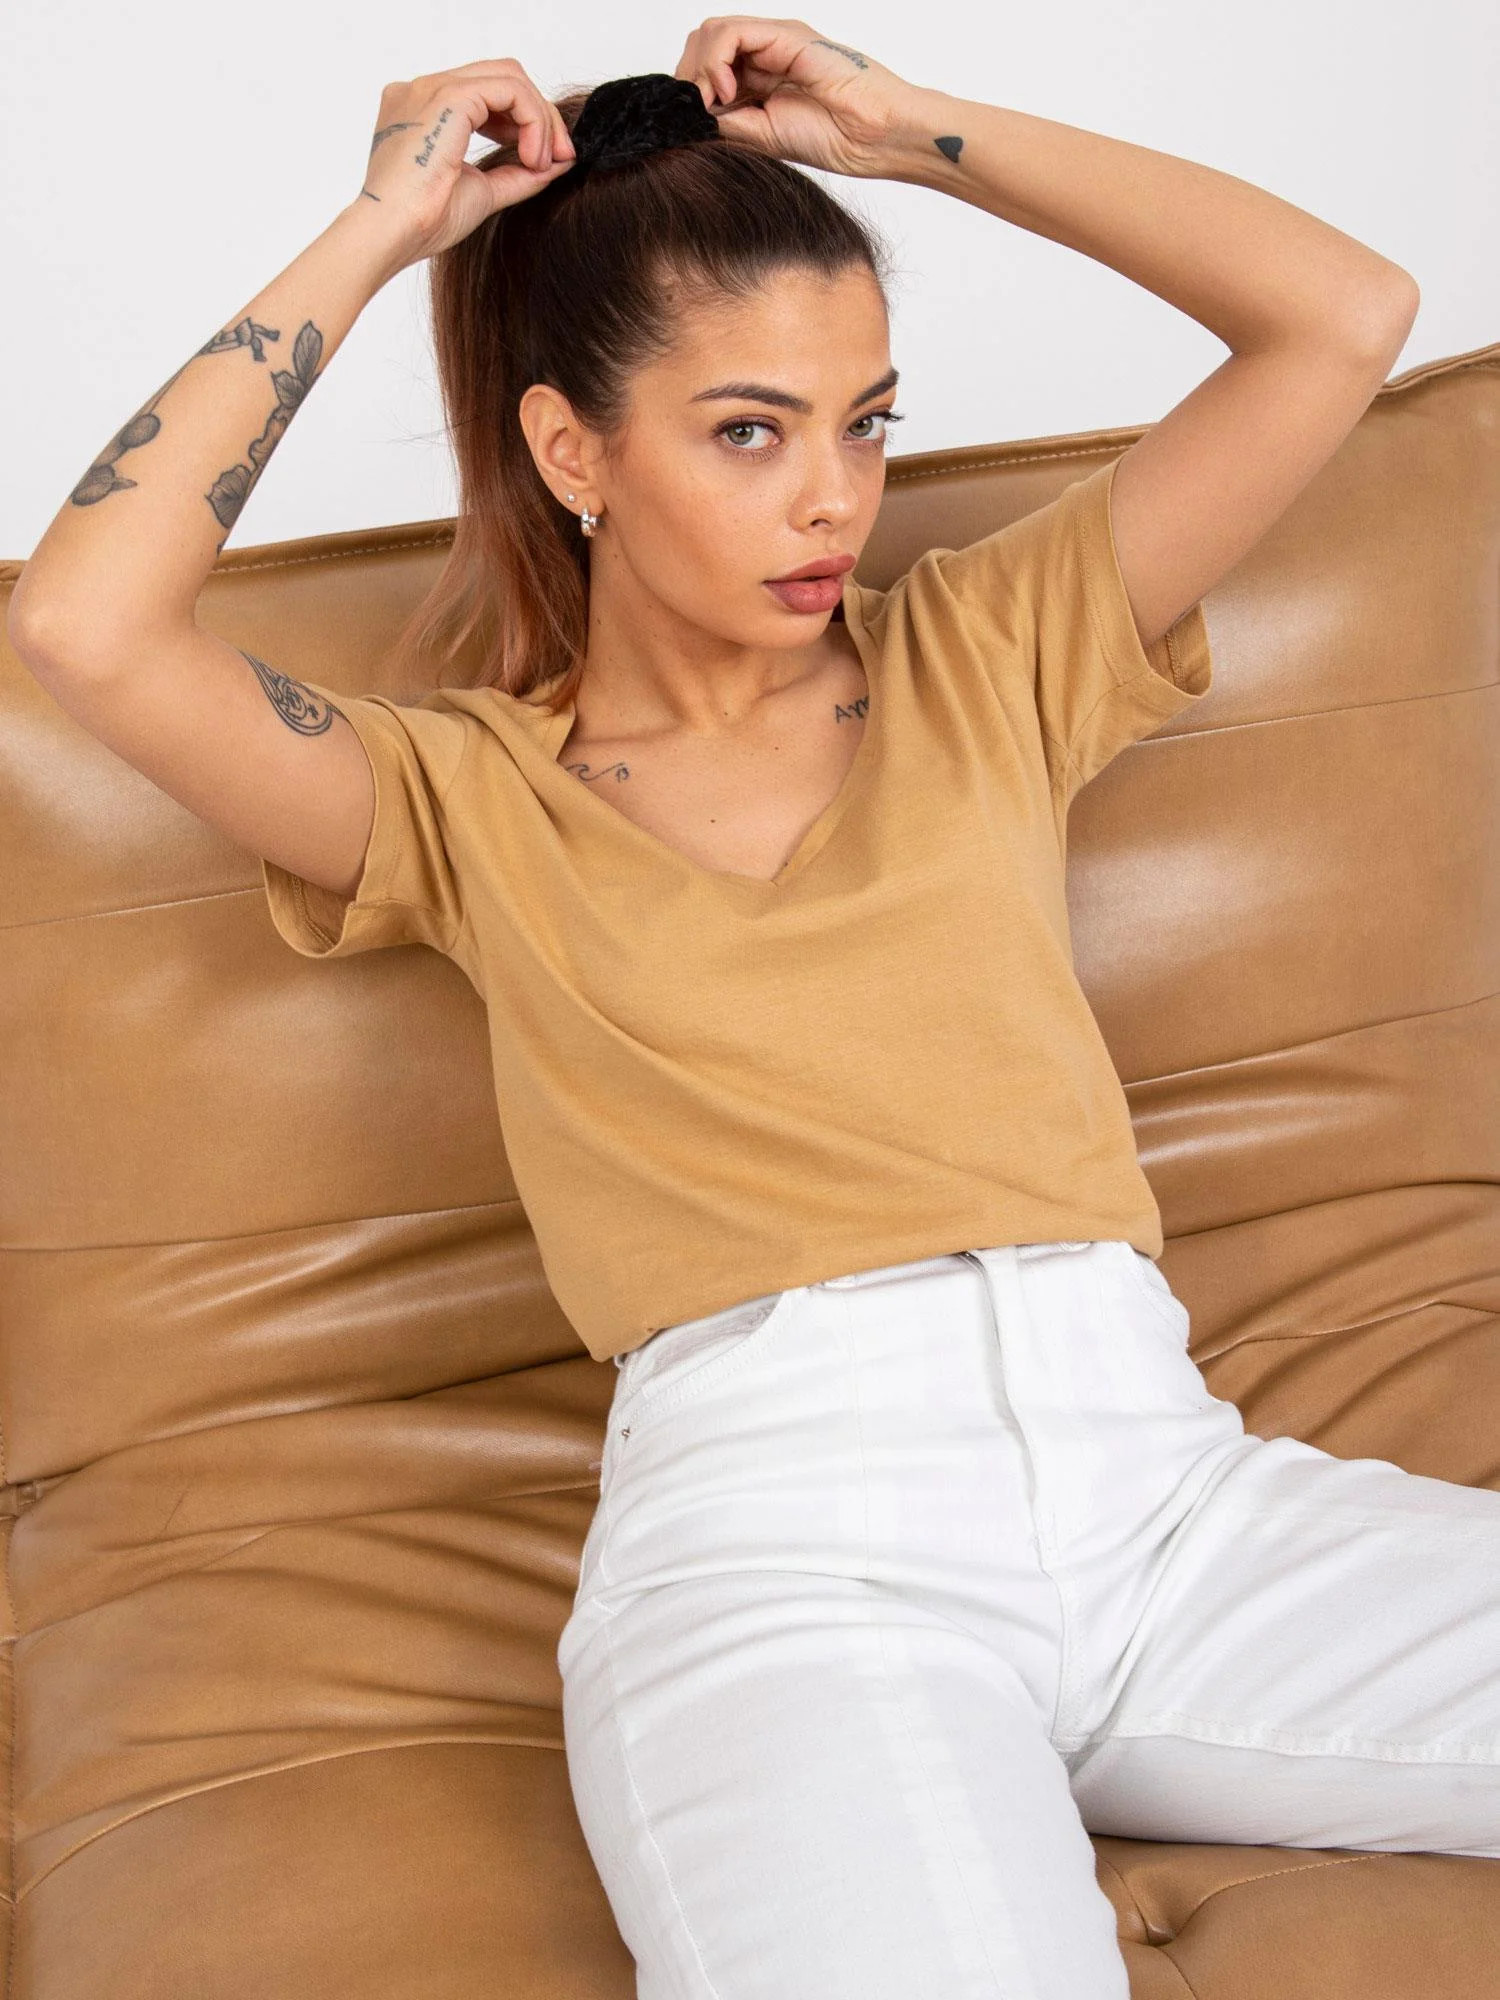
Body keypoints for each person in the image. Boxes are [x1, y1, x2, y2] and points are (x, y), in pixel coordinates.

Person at [11, 22, 1495, 1999]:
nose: (834, 501)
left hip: (1174, 1504)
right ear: (573, 452)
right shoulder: (460, 798)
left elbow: (1345, 316)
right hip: (788, 1569)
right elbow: (83, 622)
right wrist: (381, 227)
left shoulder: (991, 650)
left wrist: (914, 131)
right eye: (747, 432)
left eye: (865, 423)